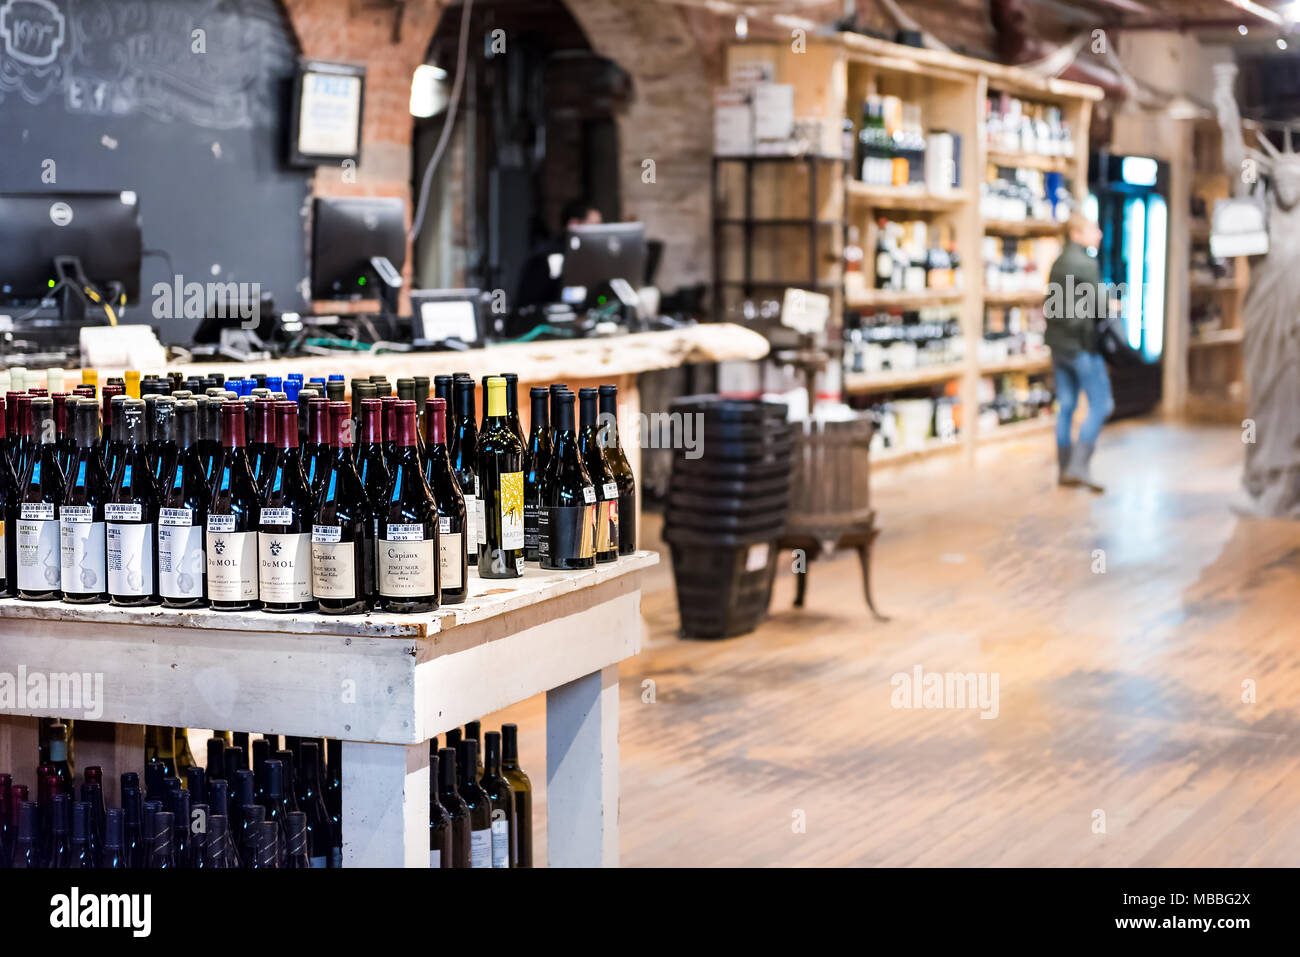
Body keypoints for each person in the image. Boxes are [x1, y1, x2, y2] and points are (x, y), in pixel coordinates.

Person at [1045, 212, 1114, 493]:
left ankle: (1064, 469)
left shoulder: (1058, 262)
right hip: (1081, 347)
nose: (1098, 234)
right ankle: (1079, 467)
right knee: (1102, 404)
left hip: (1058, 346)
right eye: (1092, 229)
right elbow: (1098, 306)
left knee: (1066, 405)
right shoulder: (1086, 263)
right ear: (1076, 234)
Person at [514, 199, 603, 309]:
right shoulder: (547, 255)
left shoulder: (595, 257)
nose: (599, 231)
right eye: (594, 225)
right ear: (574, 224)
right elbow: (531, 302)